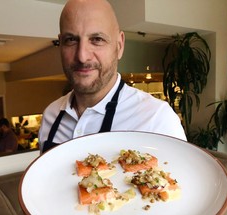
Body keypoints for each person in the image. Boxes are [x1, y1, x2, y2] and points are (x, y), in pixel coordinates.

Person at [38, 0, 187, 153]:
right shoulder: (51, 115)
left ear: (119, 45)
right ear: (61, 44)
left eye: (97, 39)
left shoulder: (157, 119)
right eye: (71, 40)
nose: (82, 56)